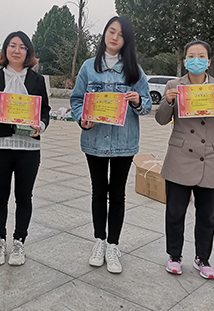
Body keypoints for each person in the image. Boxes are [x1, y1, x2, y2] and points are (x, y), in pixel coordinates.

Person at [70, 16, 152, 274]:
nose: (115, 37)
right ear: (104, 33)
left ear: (126, 40)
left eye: (121, 34)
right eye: (111, 31)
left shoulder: (134, 70)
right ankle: (99, 241)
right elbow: (76, 100)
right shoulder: (88, 67)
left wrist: (138, 100)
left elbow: (147, 105)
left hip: (123, 143)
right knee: (98, 191)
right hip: (94, 140)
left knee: (117, 194)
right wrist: (82, 119)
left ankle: (114, 245)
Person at [155, 40, 214, 279]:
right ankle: (174, 255)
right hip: (180, 156)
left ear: (208, 61)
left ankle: (203, 258)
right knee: (174, 213)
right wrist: (168, 101)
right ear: (185, 61)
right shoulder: (174, 85)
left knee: (208, 216)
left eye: (201, 56)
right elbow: (161, 119)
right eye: (191, 56)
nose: (196, 60)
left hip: (210, 157)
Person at [0, 31, 50, 266]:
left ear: (28, 52)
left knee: (24, 196)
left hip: (28, 147)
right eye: (12, 45)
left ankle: (19, 241)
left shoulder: (38, 80)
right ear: (5, 49)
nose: (17, 50)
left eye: (22, 47)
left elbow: (45, 111)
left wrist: (41, 125)